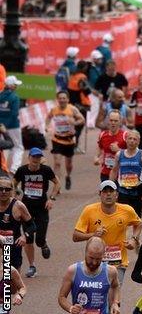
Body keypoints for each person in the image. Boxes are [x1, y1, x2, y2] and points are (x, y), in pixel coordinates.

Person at [72, 180, 142, 285]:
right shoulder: (89, 211)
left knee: (114, 294)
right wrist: (93, 235)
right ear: (100, 194)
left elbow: (138, 224)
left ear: (117, 194)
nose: (108, 194)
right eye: (105, 191)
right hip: (95, 261)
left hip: (118, 262)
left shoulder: (127, 210)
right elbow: (75, 236)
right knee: (97, 294)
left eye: (111, 191)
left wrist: (134, 239)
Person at [13, 147, 60, 278]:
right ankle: (32, 266)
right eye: (34, 157)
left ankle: (43, 244)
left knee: (39, 239)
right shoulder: (22, 170)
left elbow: (57, 183)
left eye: (38, 157)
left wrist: (51, 199)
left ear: (41, 159)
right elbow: (14, 183)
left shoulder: (46, 170)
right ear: (29, 158)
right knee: (28, 238)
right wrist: (15, 193)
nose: (36, 160)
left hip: (42, 208)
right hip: (26, 208)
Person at [58, 237, 121, 314]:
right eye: (91, 258)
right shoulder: (73, 271)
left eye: (98, 259)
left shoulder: (111, 272)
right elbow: (62, 297)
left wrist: (115, 303)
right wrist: (71, 308)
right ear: (85, 252)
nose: (94, 262)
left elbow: (115, 286)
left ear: (103, 255)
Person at [108, 130, 142, 218]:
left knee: (136, 219)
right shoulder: (119, 154)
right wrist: (110, 187)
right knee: (122, 218)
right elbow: (114, 171)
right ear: (126, 140)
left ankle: (135, 232)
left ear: (138, 142)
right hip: (123, 191)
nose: (132, 141)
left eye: (135, 139)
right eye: (130, 138)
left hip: (138, 191)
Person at [45, 91, 85, 190]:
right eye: (60, 98)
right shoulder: (54, 110)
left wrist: (74, 122)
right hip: (57, 139)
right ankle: (57, 185)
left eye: (64, 98)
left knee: (68, 164)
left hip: (69, 140)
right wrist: (47, 126)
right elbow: (48, 118)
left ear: (67, 99)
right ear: (57, 99)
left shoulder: (72, 109)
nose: (62, 100)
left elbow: (82, 120)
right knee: (57, 163)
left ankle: (68, 176)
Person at [0, 176, 34, 271]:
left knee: (10, 279)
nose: (3, 192)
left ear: (11, 191)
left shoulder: (18, 206)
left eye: (7, 189)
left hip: (11, 246)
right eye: (1, 189)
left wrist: (24, 236)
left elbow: (32, 226)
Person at [94, 110, 127, 182]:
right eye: (111, 120)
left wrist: (119, 150)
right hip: (105, 173)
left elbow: (132, 154)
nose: (113, 123)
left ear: (120, 122)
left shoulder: (125, 136)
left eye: (116, 121)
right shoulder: (103, 135)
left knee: (118, 193)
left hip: (120, 174)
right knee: (105, 193)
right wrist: (96, 157)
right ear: (108, 121)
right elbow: (100, 147)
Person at [0, 76, 23, 173]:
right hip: (13, 126)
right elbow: (14, 113)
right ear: (11, 86)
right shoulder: (15, 97)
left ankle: (3, 166)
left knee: (3, 146)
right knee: (18, 147)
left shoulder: (0, 95)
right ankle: (14, 169)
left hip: (1, 125)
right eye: (15, 85)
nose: (16, 86)